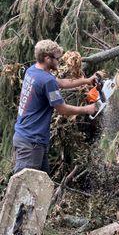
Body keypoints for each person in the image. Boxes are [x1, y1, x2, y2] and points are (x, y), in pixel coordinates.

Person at [13, 39, 97, 175]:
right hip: (31, 143)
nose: (59, 62)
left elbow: (61, 83)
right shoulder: (46, 80)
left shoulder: (33, 71)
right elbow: (62, 109)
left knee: (42, 187)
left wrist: (86, 80)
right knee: (25, 188)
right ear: (47, 58)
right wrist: (88, 109)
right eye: (57, 59)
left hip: (30, 139)